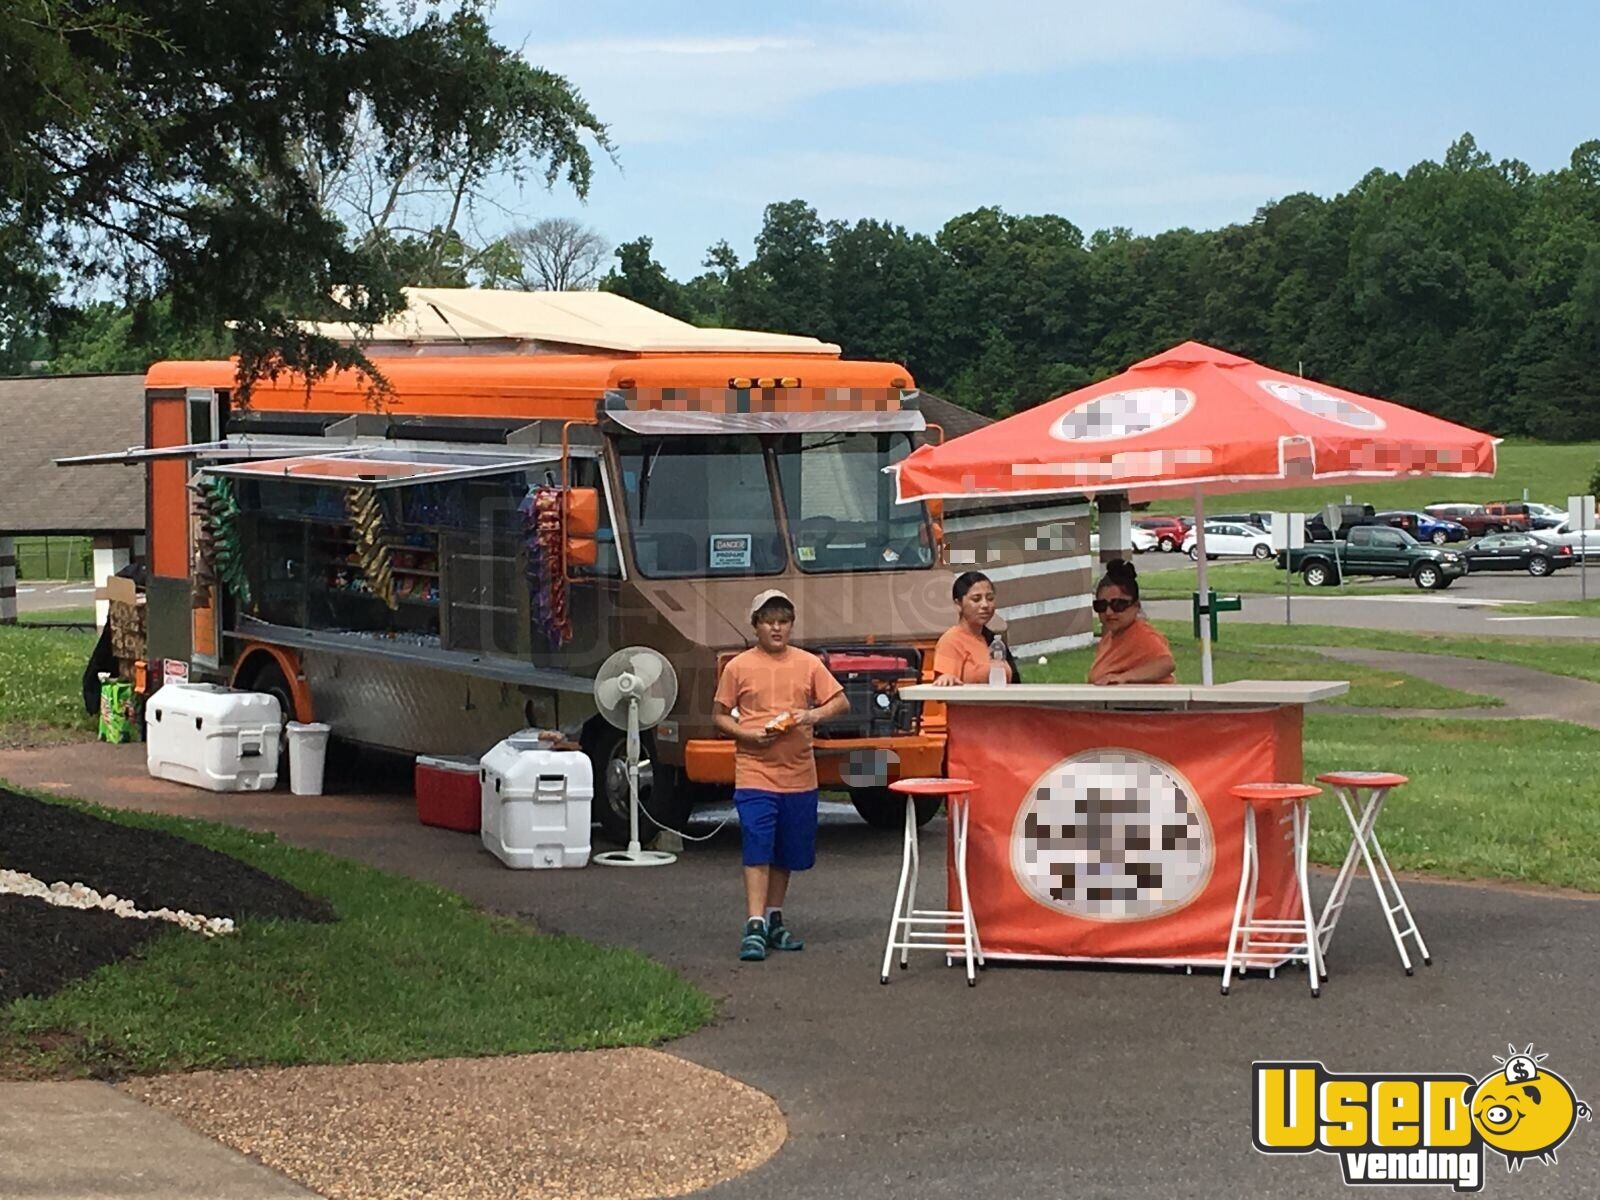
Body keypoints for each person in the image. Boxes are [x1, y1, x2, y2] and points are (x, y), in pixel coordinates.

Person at [713, 589, 850, 962]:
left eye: (783, 622)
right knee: (757, 843)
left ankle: (774, 917)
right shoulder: (738, 666)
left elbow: (840, 702)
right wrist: (747, 734)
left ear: (791, 626)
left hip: (799, 773)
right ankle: (754, 923)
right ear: (755, 626)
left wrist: (811, 715)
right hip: (754, 771)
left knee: (787, 851)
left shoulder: (808, 663)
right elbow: (720, 715)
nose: (776, 628)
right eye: (769, 622)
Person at [1088, 559, 1176, 685]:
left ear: (1136, 606)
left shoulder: (1143, 636)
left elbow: (1166, 663)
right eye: (1101, 605)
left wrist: (1123, 677)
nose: (1108, 612)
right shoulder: (1109, 639)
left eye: (1118, 604)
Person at [931, 571, 1020, 686]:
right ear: (958, 604)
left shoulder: (994, 641)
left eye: (990, 598)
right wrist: (946, 678)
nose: (985, 605)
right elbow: (945, 683)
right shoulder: (951, 641)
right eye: (976, 599)